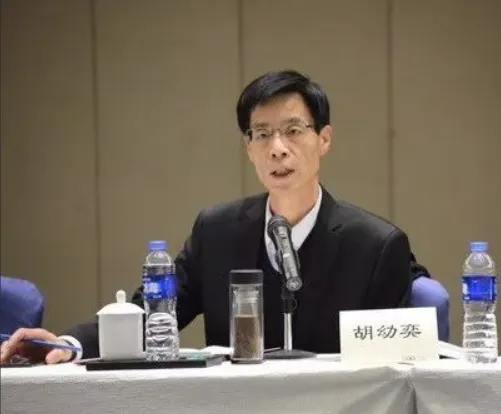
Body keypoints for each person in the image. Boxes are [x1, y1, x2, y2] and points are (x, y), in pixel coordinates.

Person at [0, 69, 416, 364]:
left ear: (324, 139)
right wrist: (68, 344)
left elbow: (395, 364)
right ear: (248, 148)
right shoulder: (217, 232)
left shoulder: (375, 245)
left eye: (293, 130)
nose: (277, 148)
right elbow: (156, 315)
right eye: (261, 134)